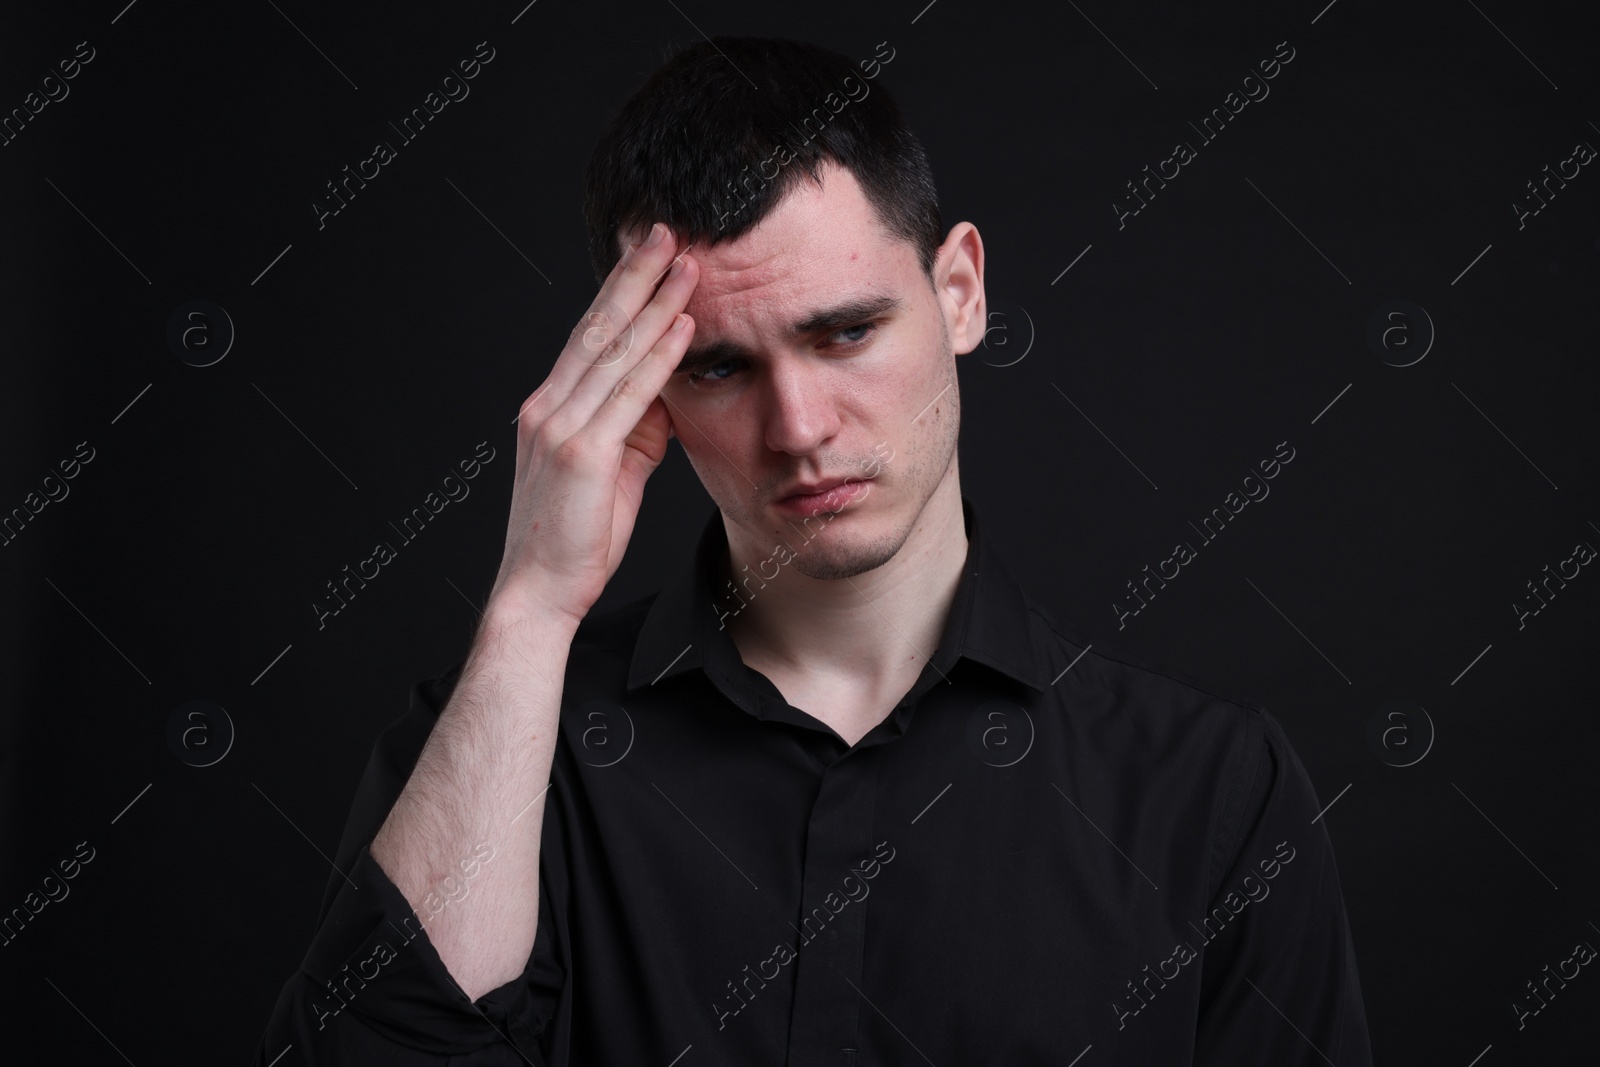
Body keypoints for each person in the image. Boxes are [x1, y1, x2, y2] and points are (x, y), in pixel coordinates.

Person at [254, 35, 1372, 1065]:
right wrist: (532, 604)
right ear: (638, 378)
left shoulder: (1215, 792)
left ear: (961, 291)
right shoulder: (505, 742)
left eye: (844, 332)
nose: (797, 428)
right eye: (718, 367)